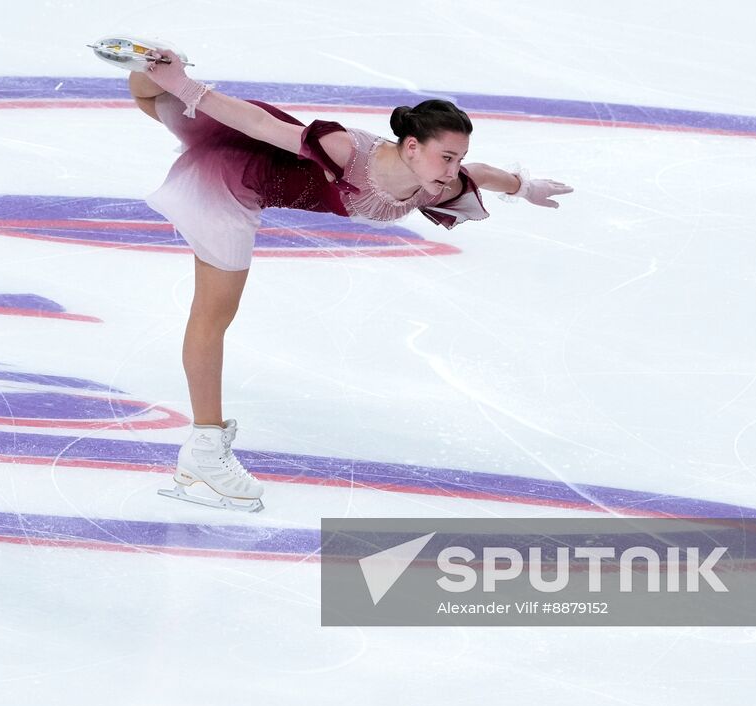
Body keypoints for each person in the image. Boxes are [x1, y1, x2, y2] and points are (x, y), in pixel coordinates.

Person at [101, 38, 573, 512]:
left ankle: (151, 62)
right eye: (446, 157)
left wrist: (526, 187)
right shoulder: (345, 149)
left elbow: (483, 174)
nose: (453, 170)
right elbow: (263, 125)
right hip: (233, 178)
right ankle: (203, 452)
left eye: (456, 158)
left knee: (156, 100)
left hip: (256, 168)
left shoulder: (432, 184)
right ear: (411, 147)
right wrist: (185, 84)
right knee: (213, 312)